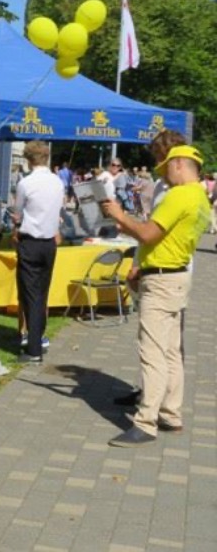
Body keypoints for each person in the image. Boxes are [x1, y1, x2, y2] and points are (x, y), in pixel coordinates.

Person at [102, 145, 210, 447]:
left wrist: (120, 216)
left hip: (161, 281)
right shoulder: (201, 196)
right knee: (173, 350)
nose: (165, 176)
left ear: (178, 164)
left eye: (166, 169)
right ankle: (171, 414)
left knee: (152, 352)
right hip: (177, 277)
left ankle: (145, 421)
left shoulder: (178, 195)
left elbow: (148, 234)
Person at [12, 141, 64, 364]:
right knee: (42, 291)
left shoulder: (26, 183)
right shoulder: (57, 182)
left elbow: (17, 213)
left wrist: (17, 222)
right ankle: (38, 336)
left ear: (28, 159)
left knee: (30, 294)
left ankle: (33, 349)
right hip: (49, 242)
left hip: (31, 241)